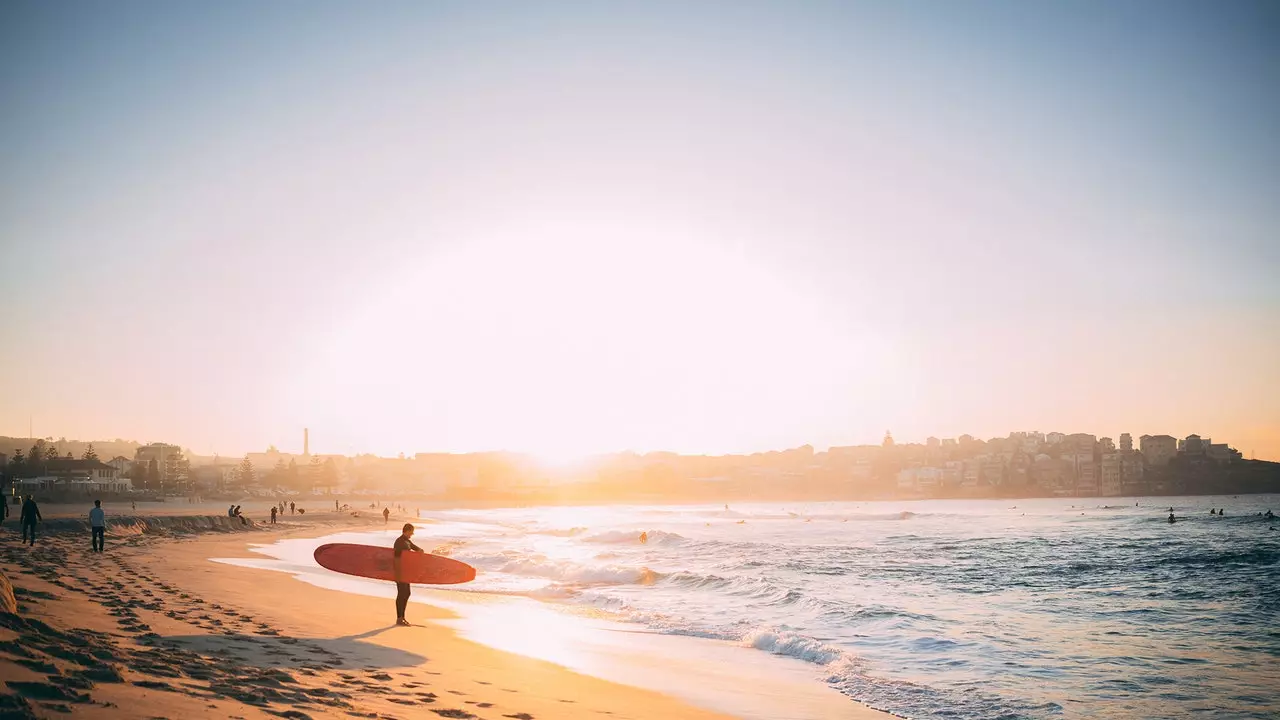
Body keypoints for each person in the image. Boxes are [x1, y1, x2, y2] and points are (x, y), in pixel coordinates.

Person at [392, 523, 424, 626]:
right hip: (400, 572)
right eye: (411, 532)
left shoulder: (407, 541)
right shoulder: (399, 542)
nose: (412, 534)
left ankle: (402, 617)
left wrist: (420, 551)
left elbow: (416, 548)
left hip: (406, 572)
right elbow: (396, 558)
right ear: (407, 530)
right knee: (401, 594)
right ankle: (399, 618)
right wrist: (397, 574)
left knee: (407, 593)